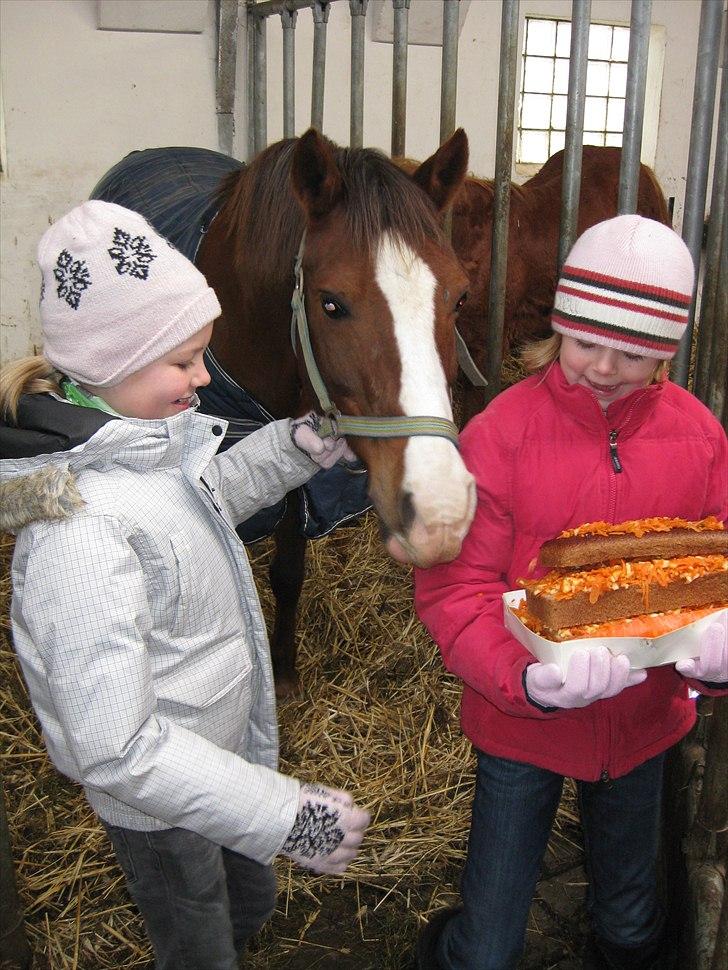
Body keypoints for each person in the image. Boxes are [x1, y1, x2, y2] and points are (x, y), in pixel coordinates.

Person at [0, 200, 370, 970]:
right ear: (109, 366)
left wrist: (293, 448)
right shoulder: (78, 533)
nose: (205, 377)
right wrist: (285, 816)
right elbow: (116, 746)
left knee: (247, 900)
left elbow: (205, 503)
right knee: (199, 937)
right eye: (184, 360)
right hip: (159, 802)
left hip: (218, 750)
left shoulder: (141, 449)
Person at [413, 215, 728, 970]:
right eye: (588, 342)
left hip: (644, 719)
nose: (605, 367)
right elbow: (456, 586)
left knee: (628, 922)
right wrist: (525, 678)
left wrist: (717, 648)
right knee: (488, 944)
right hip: (522, 723)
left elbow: (718, 562)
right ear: (559, 326)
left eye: (635, 351)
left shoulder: (699, 435)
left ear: (667, 352)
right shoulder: (501, 433)